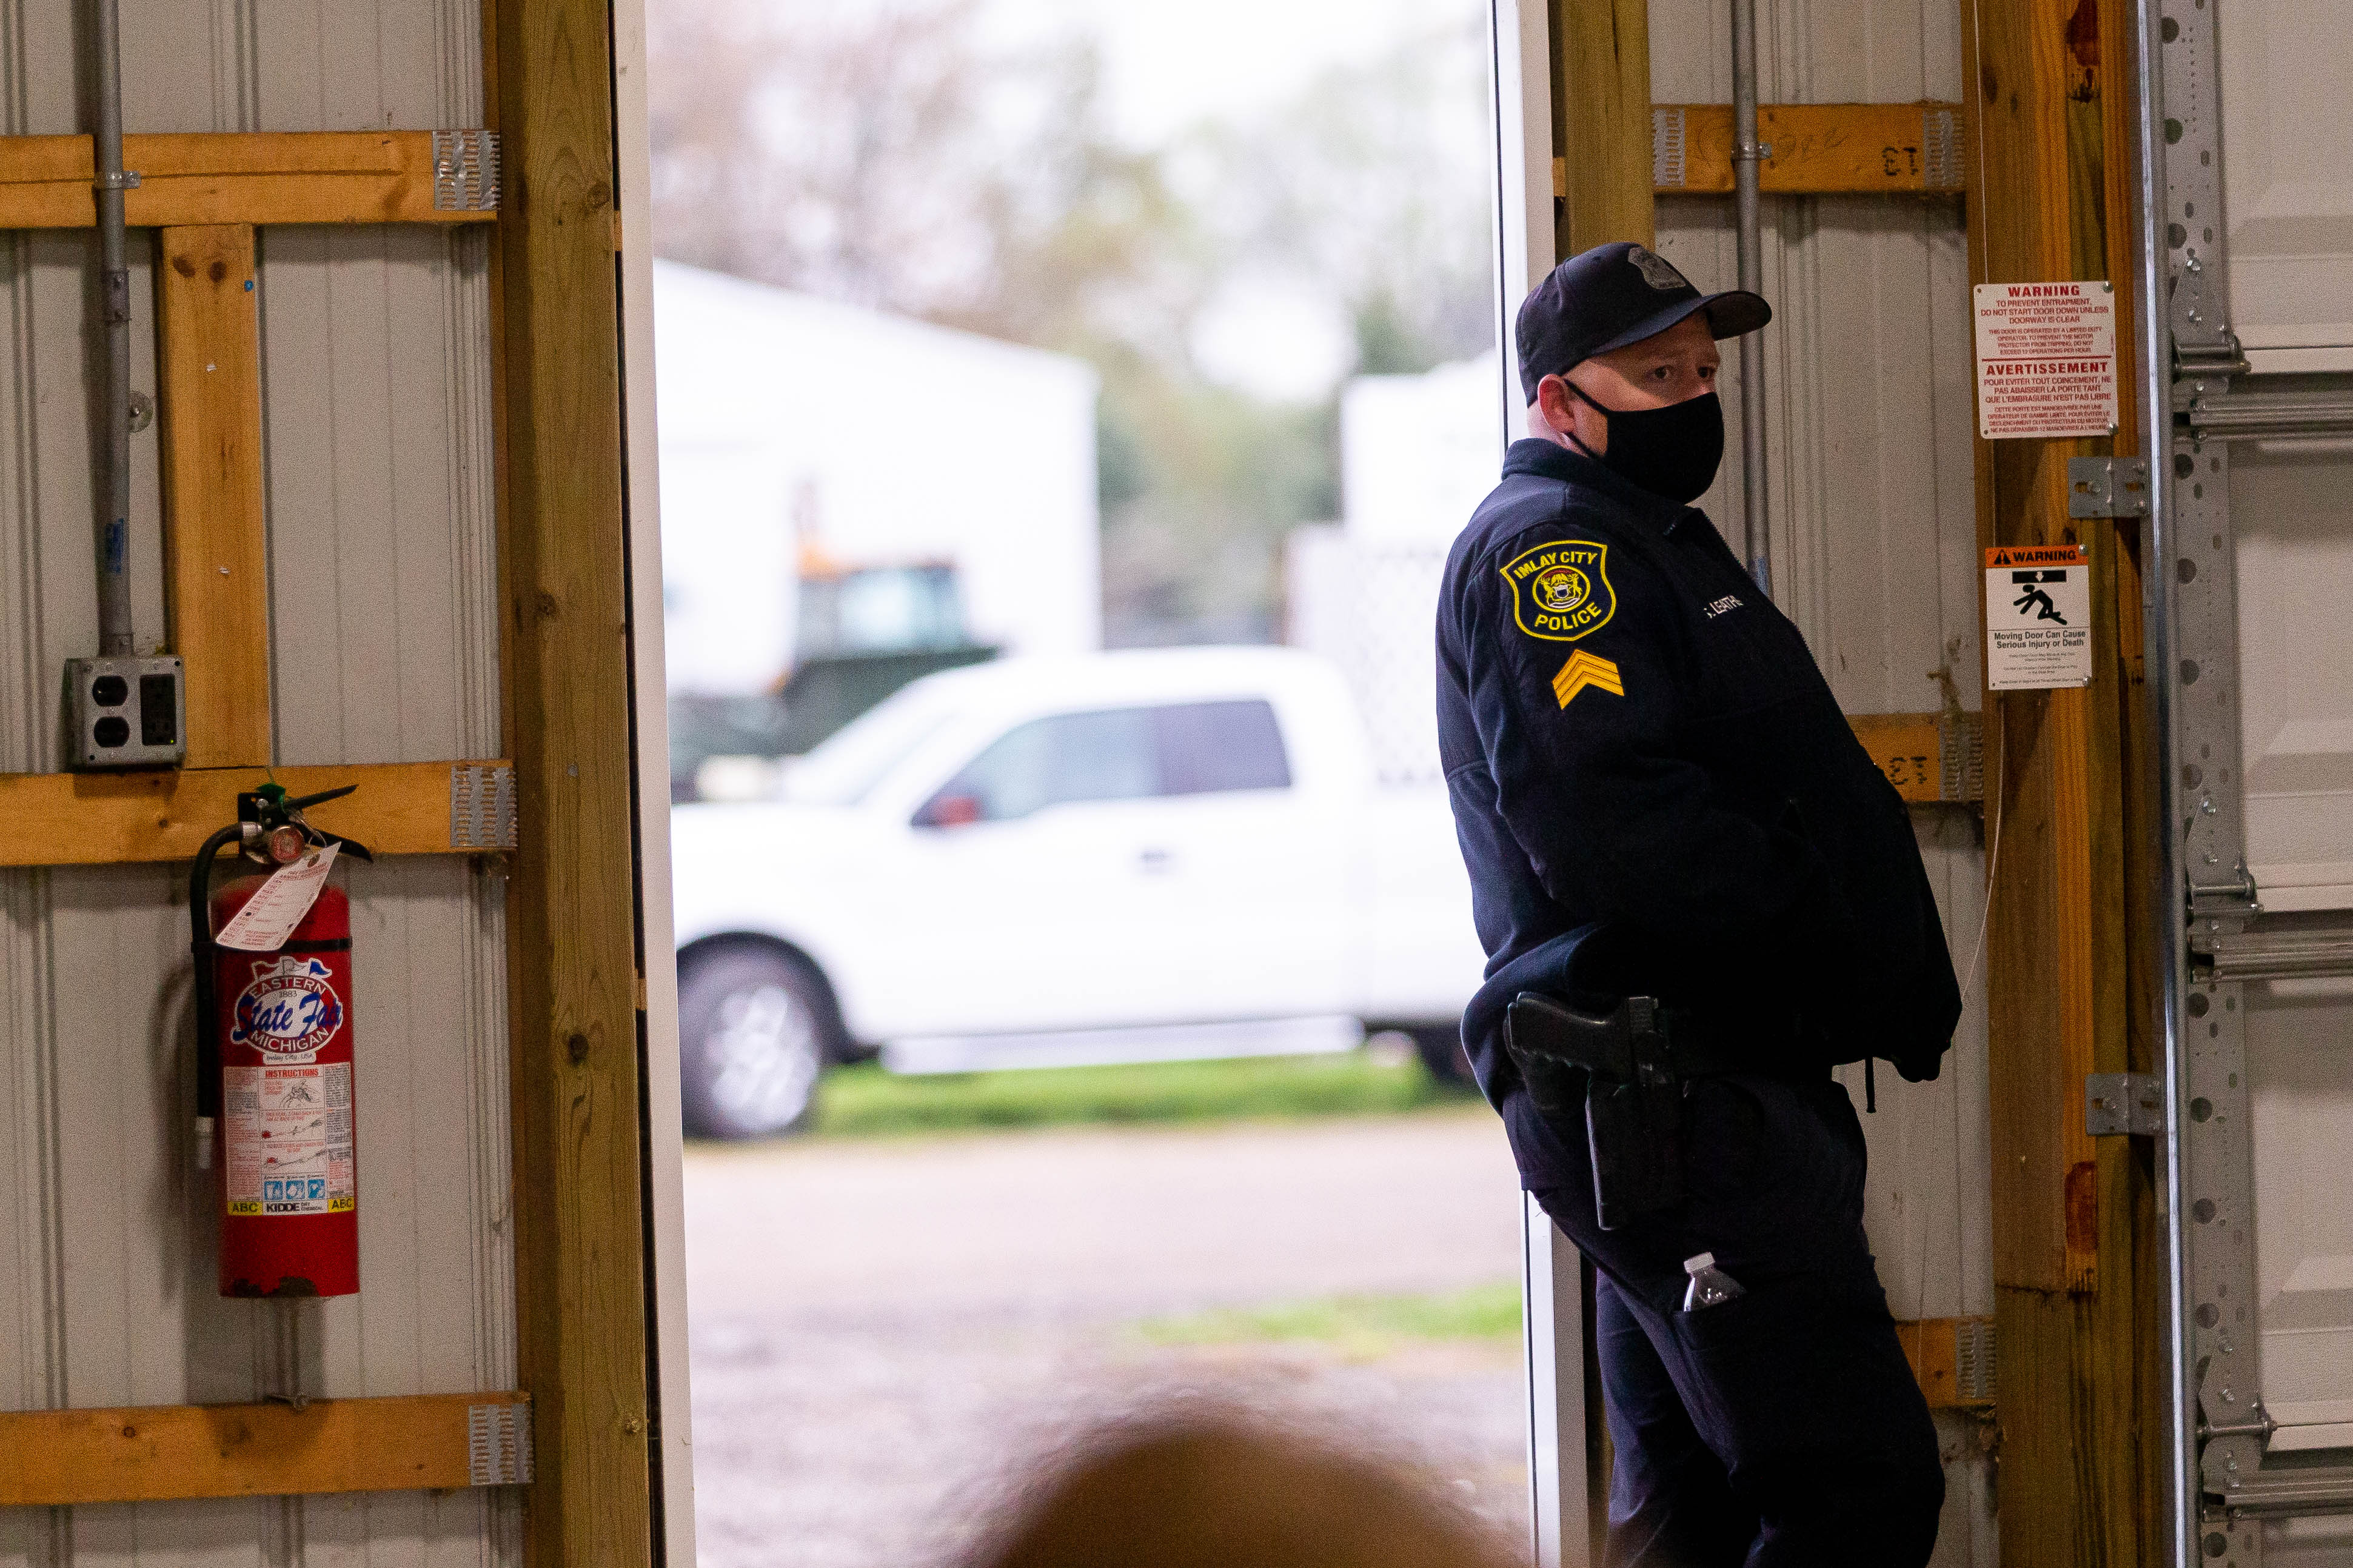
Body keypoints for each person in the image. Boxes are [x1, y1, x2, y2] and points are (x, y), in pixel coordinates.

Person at [1434, 240, 1962, 1565]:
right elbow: (1627, 833)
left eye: (1704, 368)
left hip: (1698, 1091)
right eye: (1656, 372)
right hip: (1674, 1099)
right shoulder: (1555, 554)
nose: (1692, 395)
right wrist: (1836, 947)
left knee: (1691, 1515)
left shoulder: (1644, 536)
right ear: (1560, 401)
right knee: (1857, 1491)